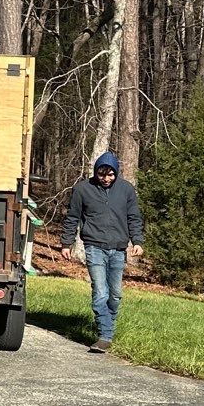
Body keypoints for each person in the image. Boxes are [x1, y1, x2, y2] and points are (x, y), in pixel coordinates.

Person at [62, 150, 144, 354]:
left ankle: (109, 328)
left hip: (118, 249)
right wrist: (66, 243)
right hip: (94, 246)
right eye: (101, 174)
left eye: (110, 174)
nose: (106, 178)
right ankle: (105, 335)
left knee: (115, 295)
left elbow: (134, 217)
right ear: (96, 172)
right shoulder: (82, 189)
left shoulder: (126, 190)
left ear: (116, 172)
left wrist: (138, 241)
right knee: (100, 291)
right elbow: (72, 217)